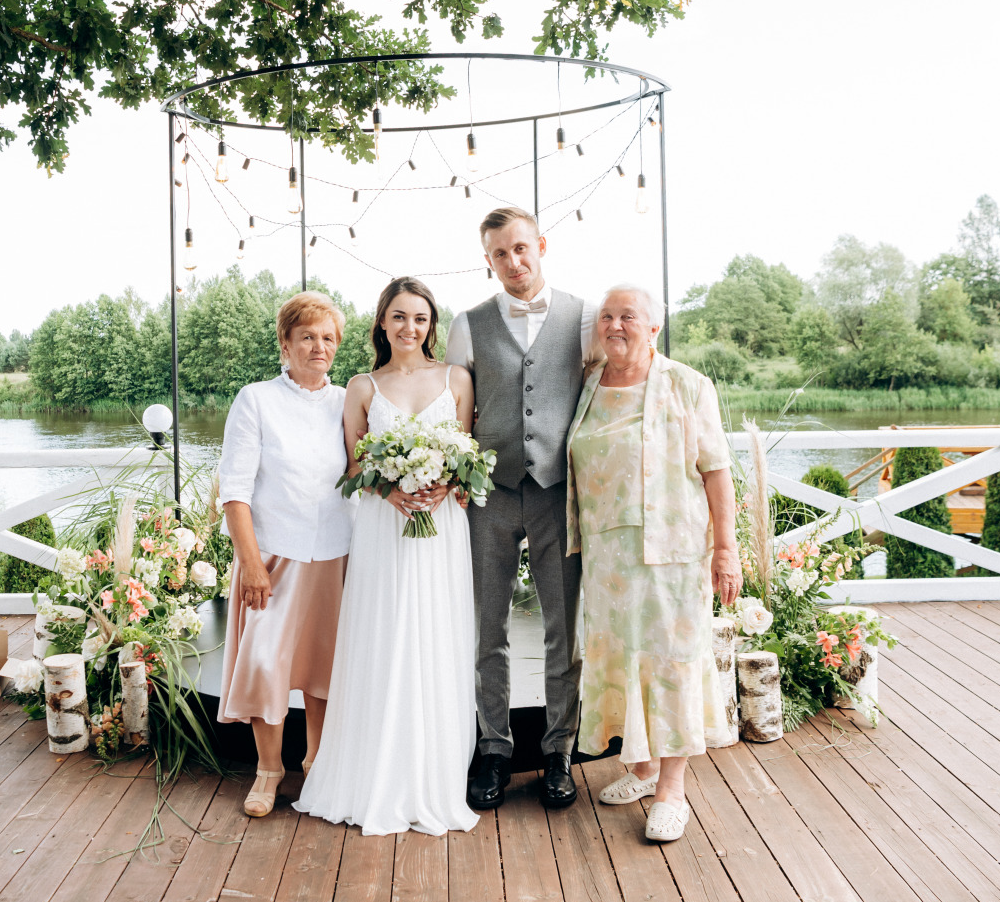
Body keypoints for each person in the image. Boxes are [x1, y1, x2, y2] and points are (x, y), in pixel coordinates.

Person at [295, 277, 480, 836]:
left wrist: (445, 486)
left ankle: (434, 773)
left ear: (431, 324)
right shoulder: (361, 386)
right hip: (383, 527)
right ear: (382, 323)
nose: (409, 328)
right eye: (398, 317)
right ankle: (374, 772)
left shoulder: (457, 380)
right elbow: (353, 468)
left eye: (419, 318)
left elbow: (466, 458)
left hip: (441, 529)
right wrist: (392, 488)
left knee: (436, 637)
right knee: (384, 636)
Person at [566, 283, 742, 842]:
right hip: (608, 559)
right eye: (607, 316)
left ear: (654, 327)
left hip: (673, 555)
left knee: (670, 664)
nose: (615, 325)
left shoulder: (689, 386)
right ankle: (641, 767)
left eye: (629, 316)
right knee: (622, 662)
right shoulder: (590, 384)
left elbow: (717, 470)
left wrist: (727, 550)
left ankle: (671, 790)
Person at [445, 207, 597, 811]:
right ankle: (495, 750)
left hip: (561, 493)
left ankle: (559, 751)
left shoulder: (583, 318)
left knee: (566, 629)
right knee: (490, 628)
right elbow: (456, 414)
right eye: (499, 254)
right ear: (488, 260)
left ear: (541, 245)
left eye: (520, 249)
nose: (512, 262)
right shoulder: (467, 324)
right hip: (491, 493)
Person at [216, 291, 358, 818]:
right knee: (265, 661)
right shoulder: (255, 399)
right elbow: (234, 489)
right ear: (286, 342)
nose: (318, 347)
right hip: (273, 556)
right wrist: (250, 563)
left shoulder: (348, 400)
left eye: (327, 338)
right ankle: (269, 769)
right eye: (307, 336)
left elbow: (359, 472)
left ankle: (316, 763)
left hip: (335, 555)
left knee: (325, 666)